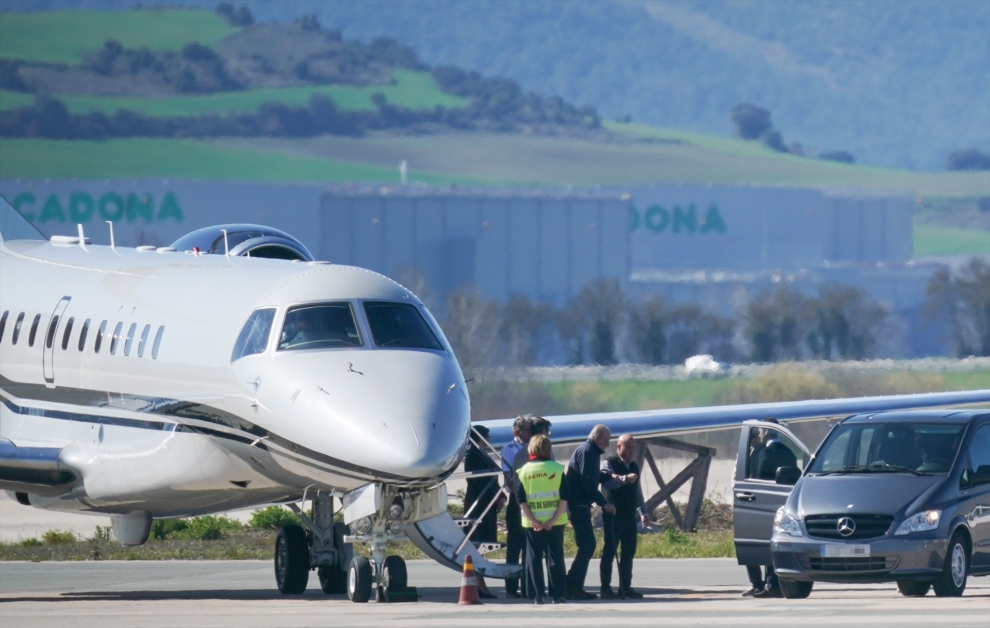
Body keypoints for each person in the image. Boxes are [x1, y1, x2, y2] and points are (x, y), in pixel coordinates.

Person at [515, 434, 570, 605]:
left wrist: (532, 520)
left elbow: (520, 498)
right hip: (555, 522)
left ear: (531, 449)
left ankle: (537, 595)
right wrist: (553, 519)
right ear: (548, 449)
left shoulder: (523, 471)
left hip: (532, 523)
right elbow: (564, 496)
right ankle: (558, 594)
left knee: (534, 557)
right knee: (555, 558)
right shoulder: (557, 469)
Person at [564, 424, 615, 600]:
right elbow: (587, 483)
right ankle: (572, 584)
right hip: (578, 505)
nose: (607, 444)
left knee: (587, 545)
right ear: (597, 438)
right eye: (606, 440)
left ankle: (573, 583)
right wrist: (604, 503)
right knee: (587, 545)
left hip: (581, 504)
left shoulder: (590, 452)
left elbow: (592, 477)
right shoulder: (587, 452)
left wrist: (611, 476)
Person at [599, 434, 649, 599]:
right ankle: (605, 588)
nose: (630, 451)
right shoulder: (609, 463)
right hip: (613, 515)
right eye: (627, 447)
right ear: (618, 447)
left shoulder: (634, 466)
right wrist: (624, 480)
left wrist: (643, 512)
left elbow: (637, 491)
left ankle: (625, 587)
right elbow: (607, 483)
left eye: (632, 448)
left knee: (629, 552)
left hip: (629, 516)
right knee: (610, 551)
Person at [464, 424, 502, 599]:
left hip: (487, 502)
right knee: (477, 543)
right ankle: (478, 583)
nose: (489, 440)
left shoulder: (480, 454)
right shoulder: (473, 456)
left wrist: (500, 496)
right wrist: (496, 496)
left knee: (482, 544)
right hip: (479, 504)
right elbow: (481, 481)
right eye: (487, 436)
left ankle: (481, 582)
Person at [500, 415, 532, 598]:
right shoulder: (509, 449)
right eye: (526, 430)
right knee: (514, 545)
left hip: (532, 499)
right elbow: (509, 480)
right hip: (516, 499)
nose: (529, 433)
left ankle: (528, 583)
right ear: (517, 432)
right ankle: (511, 586)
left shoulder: (535, 447)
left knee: (530, 545)